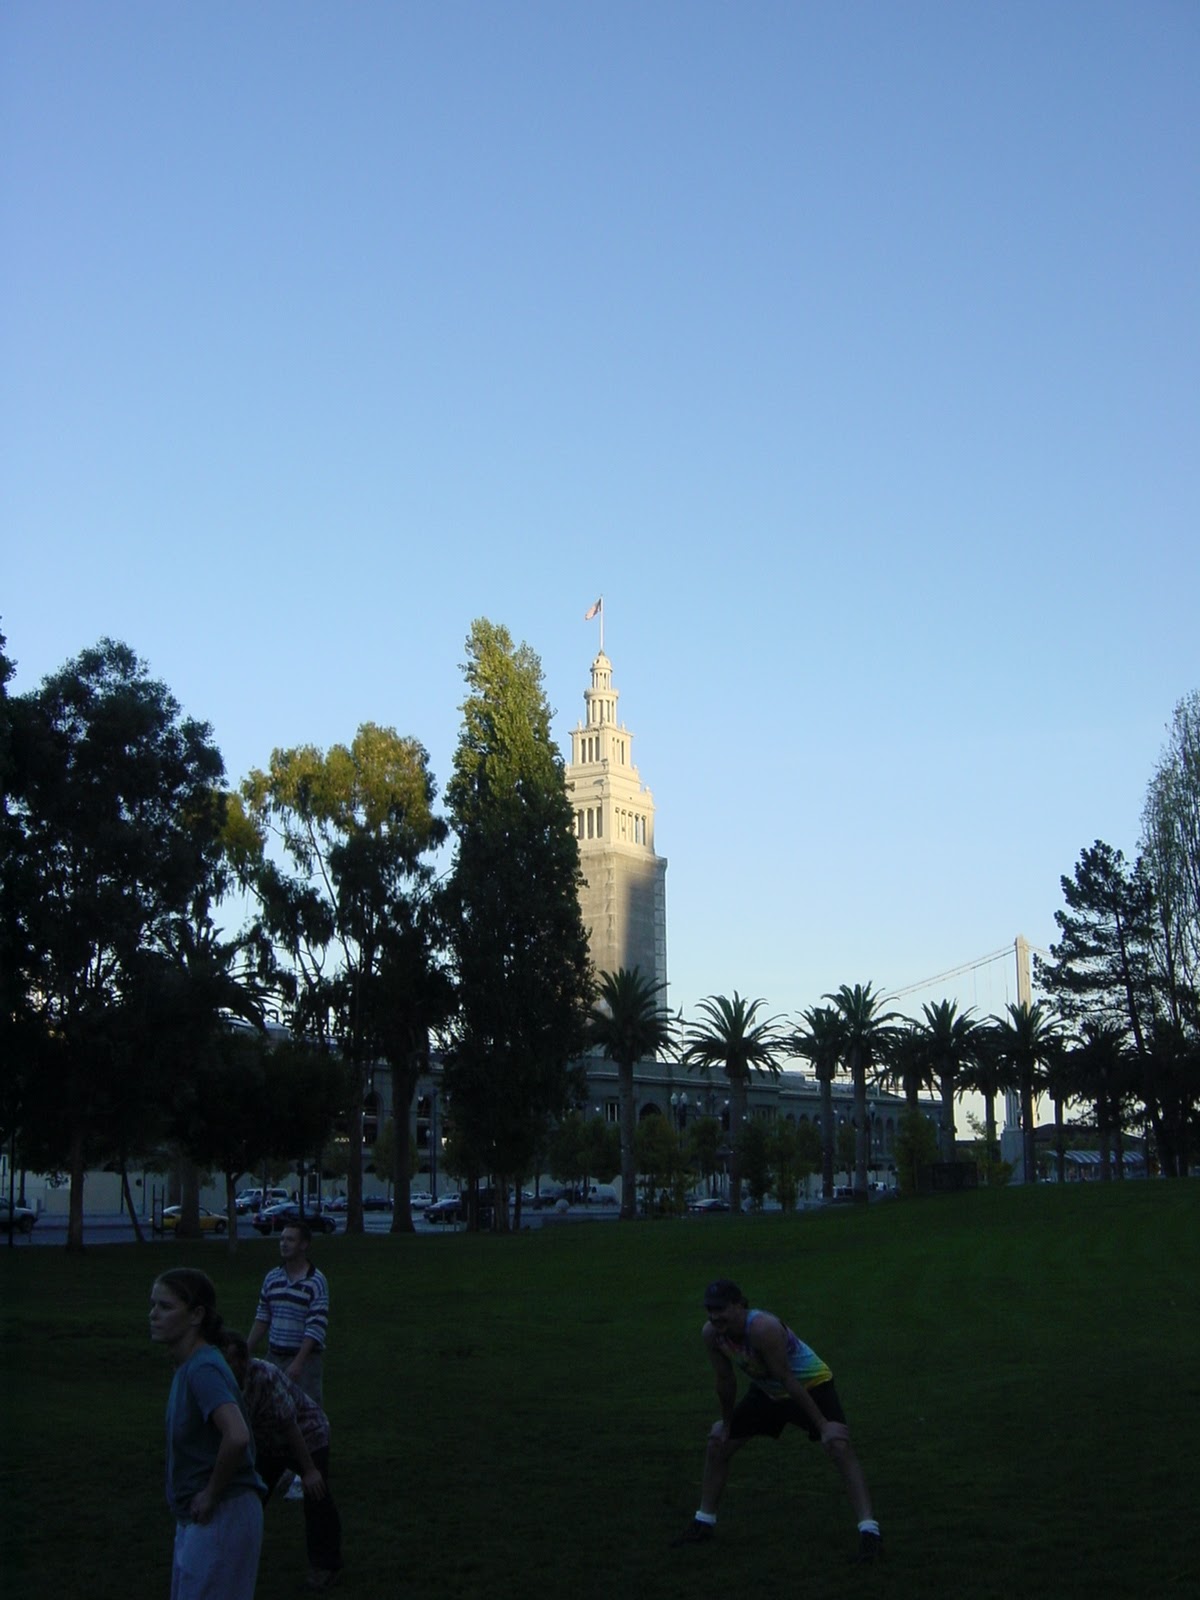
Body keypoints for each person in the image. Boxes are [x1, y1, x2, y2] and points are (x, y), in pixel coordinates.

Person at [673, 1278, 882, 1562]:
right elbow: (725, 1381)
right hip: (767, 1392)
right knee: (718, 1445)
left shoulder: (763, 1328)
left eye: (720, 1309)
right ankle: (703, 1522)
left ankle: (870, 1532)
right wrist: (727, 1423)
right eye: (710, 1309)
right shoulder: (712, 1334)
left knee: (838, 1446)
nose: (714, 1316)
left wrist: (823, 1426)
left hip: (810, 1385)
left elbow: (787, 1377)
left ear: (739, 1305)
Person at [150, 1268, 265, 1600]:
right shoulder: (188, 1366)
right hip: (199, 1518)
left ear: (196, 1315)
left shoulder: (203, 1368)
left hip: (223, 1514)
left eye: (165, 1307)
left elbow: (237, 1435)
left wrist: (211, 1493)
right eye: (153, 1305)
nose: (153, 1315)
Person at [218, 1331, 344, 1593]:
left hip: (307, 1433)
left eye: (229, 1360)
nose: (225, 1366)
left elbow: (290, 1424)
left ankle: (325, 1566)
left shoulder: (264, 1376)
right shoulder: (222, 1383)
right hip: (269, 1441)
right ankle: (231, 1555)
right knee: (250, 1495)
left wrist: (309, 1470)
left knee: (316, 1494)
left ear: (243, 1360)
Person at [247, 1220, 329, 1402]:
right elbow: (263, 1317)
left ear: (304, 1245)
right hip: (275, 1357)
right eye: (282, 1239)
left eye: (290, 1240)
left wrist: (298, 1362)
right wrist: (246, 1350)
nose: (283, 1244)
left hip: (305, 1361)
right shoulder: (272, 1278)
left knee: (305, 1412)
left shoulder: (316, 1282)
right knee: (272, 1410)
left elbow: (316, 1327)